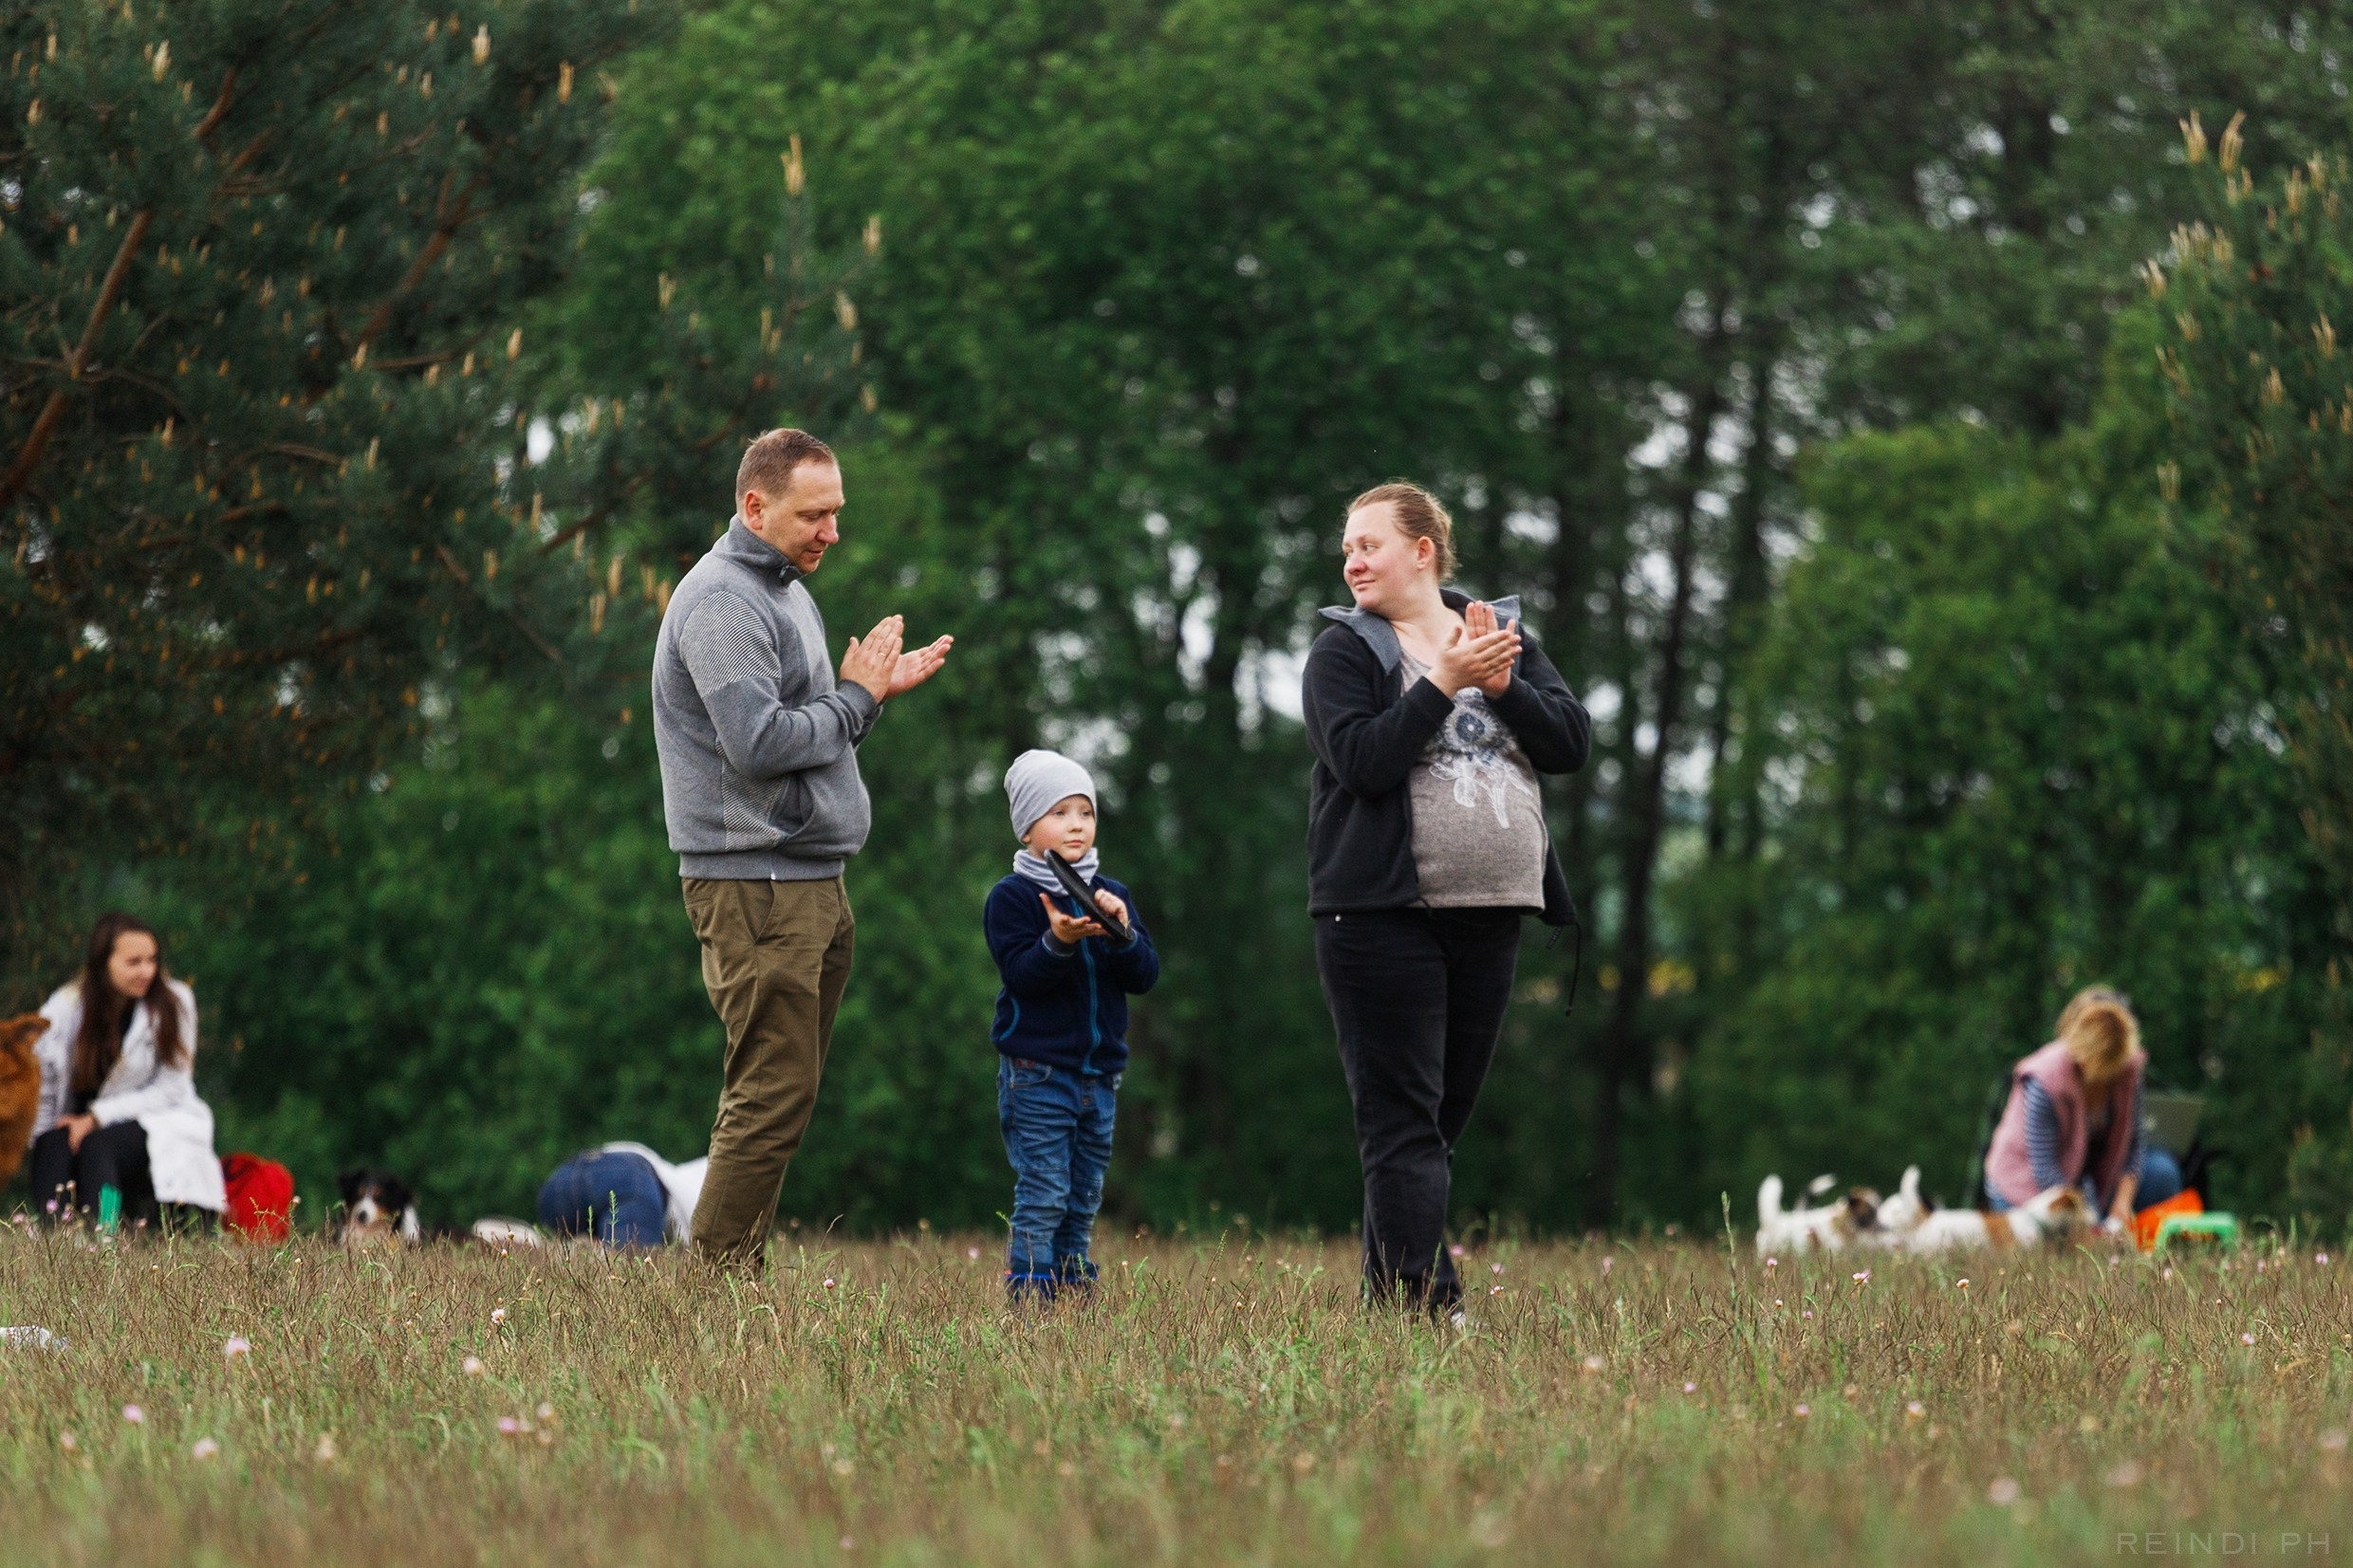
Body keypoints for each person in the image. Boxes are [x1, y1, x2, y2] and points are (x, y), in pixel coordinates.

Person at [652, 428, 953, 1269]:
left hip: (809, 877)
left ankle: (731, 1273)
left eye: (836, 513)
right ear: (755, 507)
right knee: (769, 1090)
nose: (832, 532)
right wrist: (855, 699)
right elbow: (757, 742)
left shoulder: (784, 589)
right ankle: (713, 1290)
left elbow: (812, 730)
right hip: (757, 884)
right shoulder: (721, 603)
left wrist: (868, 696)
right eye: (813, 515)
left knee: (786, 1092)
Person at [1302, 482, 1590, 1317]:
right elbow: (1360, 761)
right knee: (1403, 1124)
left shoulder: (1499, 636)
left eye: (1369, 544)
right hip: (1379, 915)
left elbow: (1570, 742)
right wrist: (1441, 683)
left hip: (1492, 910)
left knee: (1431, 1129)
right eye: (1348, 547)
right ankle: (1425, 1308)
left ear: (1423, 550)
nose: (1352, 560)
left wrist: (1498, 684)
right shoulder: (1345, 652)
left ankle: (1393, 1304)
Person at [985, 750, 1159, 1302]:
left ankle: (1072, 1294)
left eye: (1085, 811)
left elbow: (1145, 976)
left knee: (1083, 1194)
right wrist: (1058, 940)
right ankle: (1031, 1303)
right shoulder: (1012, 898)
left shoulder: (1113, 895)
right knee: (1045, 1190)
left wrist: (1123, 934)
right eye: (1059, 812)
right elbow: (1023, 977)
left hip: (1099, 1074)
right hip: (1037, 1073)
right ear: (1029, 826)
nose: (1077, 824)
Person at [28, 913, 227, 1228]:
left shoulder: (175, 1002)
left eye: (152, 960)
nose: (147, 971)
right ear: (102, 963)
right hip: (75, 1123)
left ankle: (103, 1234)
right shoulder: (65, 1007)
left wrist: (95, 1118)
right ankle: (54, 1240)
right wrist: (41, 1136)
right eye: (134, 962)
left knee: (99, 1144)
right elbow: (45, 1081)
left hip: (160, 1119)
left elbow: (171, 1088)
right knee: (51, 1142)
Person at [1984, 986, 2181, 1228]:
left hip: (2091, 1182)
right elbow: (2045, 1171)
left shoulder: (2129, 1071)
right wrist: (2090, 1225)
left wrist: (2121, 1206)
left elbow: (2134, 1146)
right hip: (2028, 1185)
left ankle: (2153, 1249)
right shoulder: (2044, 1081)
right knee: (2053, 1250)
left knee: (2162, 1170)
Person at [537, 1142, 709, 1247]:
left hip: (566, 1174)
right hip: (631, 1178)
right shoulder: (710, 1206)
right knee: (629, 1276)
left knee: (552, 1263)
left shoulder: (696, 1171)